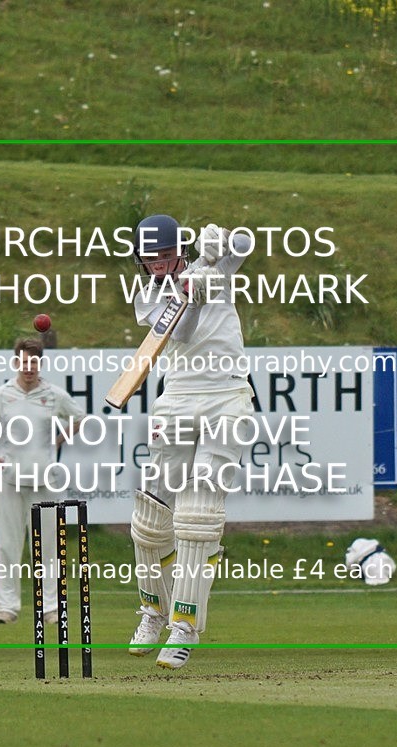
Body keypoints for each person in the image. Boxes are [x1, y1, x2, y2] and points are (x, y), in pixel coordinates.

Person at [127, 214, 254, 669]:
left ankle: (185, 627)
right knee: (149, 521)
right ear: (141, 260)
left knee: (199, 515)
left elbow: (244, 244)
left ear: (178, 249)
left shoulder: (211, 270)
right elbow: (178, 331)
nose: (158, 262)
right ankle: (152, 612)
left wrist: (218, 246)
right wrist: (193, 296)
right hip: (177, 398)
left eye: (165, 253)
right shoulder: (148, 297)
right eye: (150, 256)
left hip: (226, 395)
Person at [0, 337, 84, 624]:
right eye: (24, 362)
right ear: (16, 362)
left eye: (34, 362)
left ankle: (51, 608)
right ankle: (7, 607)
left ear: (39, 363)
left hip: (44, 480)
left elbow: (80, 418)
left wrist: (58, 441)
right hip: (11, 480)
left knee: (48, 546)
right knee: (6, 544)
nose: (29, 367)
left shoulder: (53, 394)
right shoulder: (1, 395)